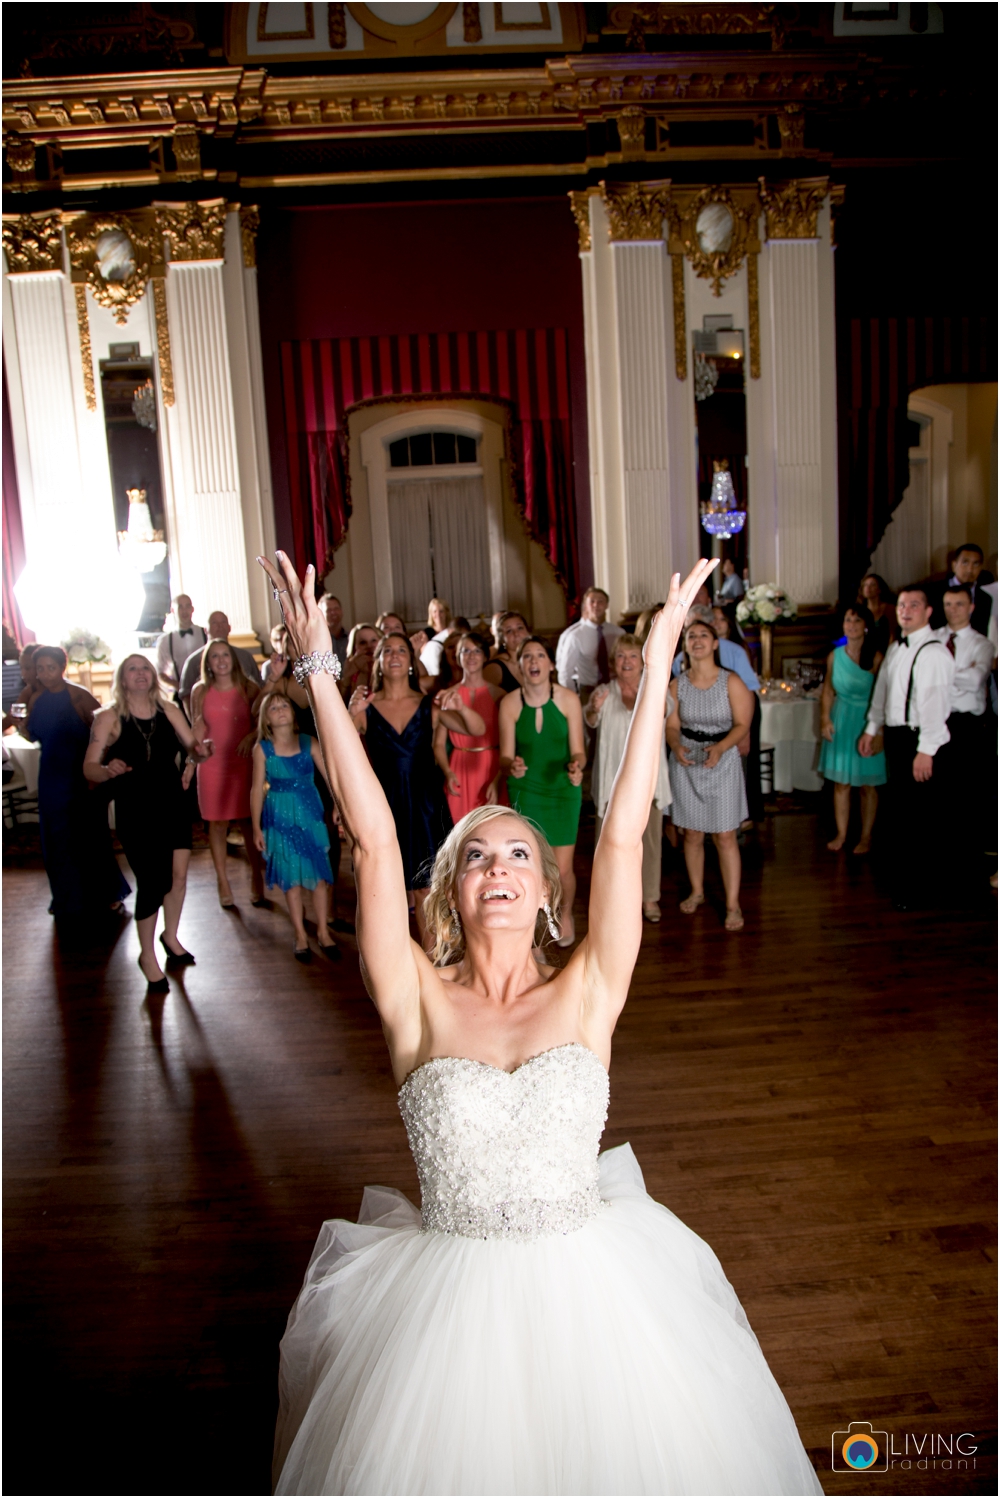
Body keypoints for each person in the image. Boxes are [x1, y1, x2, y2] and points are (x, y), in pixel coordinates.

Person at [259, 549, 820, 1498]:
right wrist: (318, 668)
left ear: (547, 887)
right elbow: (376, 833)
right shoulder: (415, 997)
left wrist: (668, 644)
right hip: (441, 1328)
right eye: (478, 856)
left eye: (519, 850)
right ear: (453, 891)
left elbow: (624, 827)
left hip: (600, 1310)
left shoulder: (591, 986)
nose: (501, 864)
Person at [348, 631, 484, 940]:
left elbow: (476, 729)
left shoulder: (427, 705)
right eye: (387, 651)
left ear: (411, 662)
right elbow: (337, 750)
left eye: (401, 650)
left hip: (425, 804)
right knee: (387, 889)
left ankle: (431, 964)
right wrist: (349, 713)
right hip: (385, 805)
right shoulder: (366, 708)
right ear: (379, 662)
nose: (394, 655)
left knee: (425, 889)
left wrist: (460, 706)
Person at [84, 655, 208, 988]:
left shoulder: (168, 710)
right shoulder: (108, 717)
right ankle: (147, 955)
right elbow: (89, 768)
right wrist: (106, 770)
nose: (140, 673)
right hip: (135, 807)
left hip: (172, 801)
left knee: (178, 876)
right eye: (132, 669)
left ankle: (171, 937)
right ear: (122, 680)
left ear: (153, 676)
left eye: (145, 669)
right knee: (153, 882)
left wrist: (200, 754)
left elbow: (193, 748)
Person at [859, 584, 953, 910]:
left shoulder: (935, 652)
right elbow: (883, 692)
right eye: (901, 605)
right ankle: (903, 882)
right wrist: (872, 727)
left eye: (914, 605)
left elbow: (936, 705)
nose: (906, 610)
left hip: (920, 739)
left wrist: (926, 749)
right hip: (898, 738)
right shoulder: (898, 648)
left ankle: (921, 889)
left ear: (928, 612)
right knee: (901, 812)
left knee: (921, 817)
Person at [27, 645, 131, 925]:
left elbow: (107, 732)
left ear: (62, 667)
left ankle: (105, 892)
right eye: (40, 668)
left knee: (88, 836)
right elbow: (33, 735)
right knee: (56, 839)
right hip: (50, 775)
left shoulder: (79, 696)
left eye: (50, 667)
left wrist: (98, 771)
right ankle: (65, 897)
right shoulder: (35, 698)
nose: (45, 674)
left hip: (79, 774)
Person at [666, 619, 753, 931]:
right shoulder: (677, 685)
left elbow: (743, 722)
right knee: (692, 833)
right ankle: (697, 890)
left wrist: (721, 747)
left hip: (722, 759)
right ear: (685, 645)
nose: (698, 640)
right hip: (687, 760)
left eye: (704, 635)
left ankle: (732, 904)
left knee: (726, 835)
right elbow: (671, 725)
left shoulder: (731, 682)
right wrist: (676, 746)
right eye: (691, 636)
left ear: (716, 644)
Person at [500, 636, 585, 946]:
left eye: (539, 656)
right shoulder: (509, 703)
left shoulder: (568, 699)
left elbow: (579, 751)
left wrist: (577, 766)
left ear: (551, 664)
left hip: (562, 789)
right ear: (520, 665)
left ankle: (564, 914)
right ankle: (532, 928)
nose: (533, 662)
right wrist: (512, 765)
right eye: (527, 657)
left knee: (562, 870)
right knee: (530, 867)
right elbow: (505, 756)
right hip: (526, 790)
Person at [585, 635, 671, 923]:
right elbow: (590, 719)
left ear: (643, 661)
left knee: (650, 843)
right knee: (608, 845)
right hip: (612, 782)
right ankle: (612, 902)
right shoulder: (604, 692)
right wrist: (593, 709)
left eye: (633, 656)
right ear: (614, 662)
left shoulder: (655, 690)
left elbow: (666, 710)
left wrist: (651, 693)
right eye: (621, 656)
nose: (627, 662)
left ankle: (649, 898)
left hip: (648, 782)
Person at [251, 692, 339, 964]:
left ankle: (323, 931)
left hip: (309, 816)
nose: (279, 710)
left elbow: (330, 776)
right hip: (278, 819)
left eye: (284, 705)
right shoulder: (262, 749)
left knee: (319, 878)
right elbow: (256, 789)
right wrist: (256, 827)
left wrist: (337, 805)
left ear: (293, 712)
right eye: (273, 707)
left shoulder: (308, 743)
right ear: (266, 718)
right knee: (291, 880)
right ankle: (300, 934)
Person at [191, 640, 265, 909]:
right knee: (217, 824)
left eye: (225, 655)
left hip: (243, 762)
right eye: (214, 657)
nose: (220, 660)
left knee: (249, 822)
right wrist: (191, 761)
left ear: (233, 659)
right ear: (207, 663)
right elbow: (196, 730)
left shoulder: (249, 688)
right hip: (212, 764)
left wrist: (251, 735)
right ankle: (222, 881)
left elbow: (263, 724)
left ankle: (257, 876)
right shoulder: (199, 691)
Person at [818, 605, 886, 855]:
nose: (852, 625)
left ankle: (866, 836)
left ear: (865, 625)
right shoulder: (835, 656)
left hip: (868, 720)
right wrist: (825, 718)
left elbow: (884, 697)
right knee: (841, 782)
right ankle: (842, 833)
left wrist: (878, 731)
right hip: (841, 717)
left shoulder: (877, 657)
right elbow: (827, 690)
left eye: (857, 621)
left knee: (868, 785)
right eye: (848, 620)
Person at [933, 582, 995, 840]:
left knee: (968, 791)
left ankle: (967, 852)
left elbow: (976, 679)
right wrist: (960, 674)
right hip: (937, 721)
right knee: (939, 790)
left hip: (967, 725)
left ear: (971, 607)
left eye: (959, 604)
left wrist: (941, 675)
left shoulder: (983, 644)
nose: (953, 610)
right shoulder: (932, 639)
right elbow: (924, 680)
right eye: (948, 604)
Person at [434, 632, 506, 824]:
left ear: (485, 656)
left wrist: (498, 779)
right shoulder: (448, 696)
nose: (472, 656)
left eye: (477, 651)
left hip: (492, 767)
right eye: (465, 651)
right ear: (457, 657)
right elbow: (438, 744)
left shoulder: (500, 695)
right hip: (460, 767)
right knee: (460, 832)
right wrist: (448, 772)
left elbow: (509, 743)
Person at [178, 610, 261, 713]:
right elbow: (186, 696)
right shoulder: (193, 661)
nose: (219, 626)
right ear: (205, 630)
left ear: (229, 628)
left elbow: (258, 690)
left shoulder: (245, 657)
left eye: (223, 622)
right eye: (214, 623)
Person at [672, 605, 760, 694]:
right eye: (690, 634)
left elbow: (750, 687)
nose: (697, 640)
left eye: (702, 634)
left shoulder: (735, 652)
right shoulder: (681, 657)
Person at [555, 587, 623, 697]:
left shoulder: (619, 633)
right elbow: (565, 672)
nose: (596, 605)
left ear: (607, 605)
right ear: (586, 606)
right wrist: (573, 696)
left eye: (600, 601)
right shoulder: (575, 636)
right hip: (588, 691)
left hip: (616, 689)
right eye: (592, 601)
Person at [156, 594, 207, 692]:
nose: (184, 611)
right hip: (180, 693)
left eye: (188, 606)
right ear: (172, 610)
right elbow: (160, 672)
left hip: (206, 690)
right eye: (180, 607)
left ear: (192, 609)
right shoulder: (165, 640)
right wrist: (179, 686)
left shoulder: (205, 633)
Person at [484, 610, 528, 693]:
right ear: (502, 639)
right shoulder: (495, 668)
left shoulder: (533, 662)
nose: (516, 633)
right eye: (509, 631)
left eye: (520, 628)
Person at [339, 622, 382, 702]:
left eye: (373, 641)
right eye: (363, 642)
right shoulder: (350, 667)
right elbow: (341, 702)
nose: (369, 646)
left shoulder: (388, 667)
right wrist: (348, 675)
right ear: (354, 647)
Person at [857, 574, 897, 656]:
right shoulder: (859, 611)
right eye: (865, 585)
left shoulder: (890, 609)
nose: (868, 588)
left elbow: (893, 635)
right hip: (865, 652)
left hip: (886, 651)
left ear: (879, 589)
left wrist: (888, 656)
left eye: (872, 584)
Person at [418, 597, 453, 677]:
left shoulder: (452, 632)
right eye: (434, 611)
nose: (438, 614)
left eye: (441, 611)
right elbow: (427, 657)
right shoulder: (425, 633)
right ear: (431, 614)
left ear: (446, 613)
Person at [321, 594, 350, 671]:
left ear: (341, 611)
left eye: (336, 608)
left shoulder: (351, 638)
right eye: (328, 610)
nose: (333, 612)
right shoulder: (318, 641)